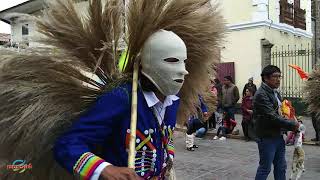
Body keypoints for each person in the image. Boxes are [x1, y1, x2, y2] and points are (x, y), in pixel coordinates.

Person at [0, 0, 224, 179]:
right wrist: (105, 169)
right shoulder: (122, 97)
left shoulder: (173, 101)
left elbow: (165, 141)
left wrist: (167, 163)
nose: (183, 71)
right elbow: (68, 145)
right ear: (147, 64)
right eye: (172, 61)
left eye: (185, 63)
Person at [254, 65, 299, 180]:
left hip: (278, 135)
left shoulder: (275, 92)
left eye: (280, 76)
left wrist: (292, 118)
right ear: (266, 78)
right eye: (275, 76)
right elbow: (272, 116)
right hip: (267, 137)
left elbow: (280, 112)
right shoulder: (261, 94)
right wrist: (292, 125)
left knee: (281, 166)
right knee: (265, 168)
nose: (278, 79)